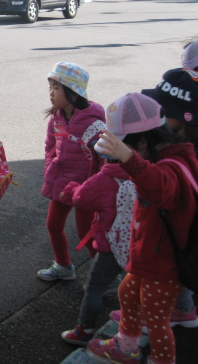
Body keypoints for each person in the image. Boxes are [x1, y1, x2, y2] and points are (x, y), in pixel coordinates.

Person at [87, 92, 198, 364]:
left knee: (156, 320)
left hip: (165, 265)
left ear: (144, 142)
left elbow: (160, 187)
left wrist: (130, 159)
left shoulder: (170, 168)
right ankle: (126, 347)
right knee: (127, 293)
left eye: (126, 150)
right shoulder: (166, 158)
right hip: (150, 256)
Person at [38, 62, 105, 281]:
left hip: (86, 187)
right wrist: (49, 167)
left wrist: (98, 186)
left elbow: (104, 158)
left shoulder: (94, 124)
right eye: (50, 87)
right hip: (62, 183)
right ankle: (63, 266)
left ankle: (107, 275)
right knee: (53, 225)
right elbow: (50, 146)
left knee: (86, 232)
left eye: (56, 88)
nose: (51, 93)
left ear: (74, 93)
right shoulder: (56, 118)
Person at [57, 150, 131, 345]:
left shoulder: (103, 178)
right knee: (137, 285)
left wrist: (72, 187)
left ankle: (85, 329)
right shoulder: (143, 173)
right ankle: (137, 322)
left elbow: (80, 198)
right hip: (139, 243)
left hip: (111, 245)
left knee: (93, 289)